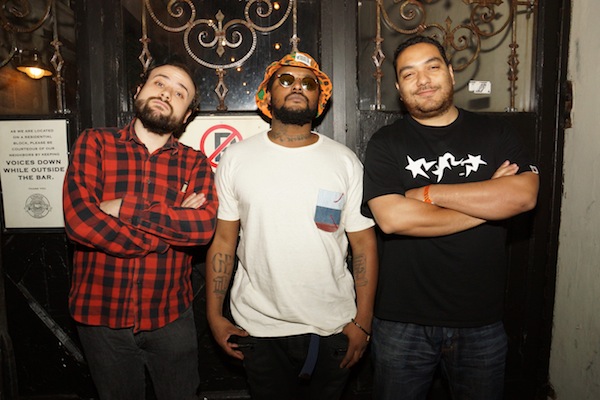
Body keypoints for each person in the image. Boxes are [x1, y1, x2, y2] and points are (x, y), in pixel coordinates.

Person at [362, 36, 540, 400]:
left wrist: (429, 193)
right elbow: (394, 219)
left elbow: (522, 197)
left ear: (451, 73)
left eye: (432, 67)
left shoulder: (496, 133)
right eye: (409, 74)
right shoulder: (385, 143)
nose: (423, 80)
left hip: (480, 321)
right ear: (398, 88)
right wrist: (488, 204)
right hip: (402, 321)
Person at [205, 51, 378, 400]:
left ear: (320, 99)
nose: (297, 86)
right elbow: (223, 242)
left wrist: (363, 321)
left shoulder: (344, 161)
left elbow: (364, 245)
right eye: (285, 80)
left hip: (332, 327)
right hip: (258, 328)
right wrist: (213, 315)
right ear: (267, 94)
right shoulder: (236, 158)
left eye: (308, 83)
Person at [63, 58, 217, 400]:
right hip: (100, 316)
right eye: (159, 83)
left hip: (170, 316)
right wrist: (163, 237)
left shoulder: (195, 163)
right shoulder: (94, 143)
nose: (167, 93)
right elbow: (80, 223)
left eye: (180, 93)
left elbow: (202, 229)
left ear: (187, 116)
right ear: (138, 91)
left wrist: (122, 207)